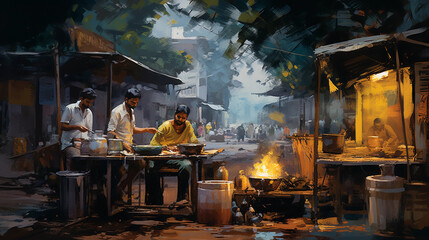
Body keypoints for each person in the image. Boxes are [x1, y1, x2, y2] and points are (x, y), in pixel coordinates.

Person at [107, 87, 158, 193]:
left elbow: (132, 129)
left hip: (128, 146)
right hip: (117, 148)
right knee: (117, 172)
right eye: (132, 102)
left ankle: (122, 187)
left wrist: (147, 129)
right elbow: (110, 132)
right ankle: (115, 193)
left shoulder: (131, 111)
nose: (135, 104)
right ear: (126, 99)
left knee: (140, 164)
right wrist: (123, 144)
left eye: (136, 102)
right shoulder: (117, 112)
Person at [147, 104, 198, 205]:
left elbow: (193, 140)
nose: (180, 119)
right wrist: (165, 148)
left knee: (187, 165)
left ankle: (182, 199)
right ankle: (156, 200)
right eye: (178, 117)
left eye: (183, 118)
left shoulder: (188, 126)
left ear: (186, 118)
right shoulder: (165, 126)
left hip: (178, 158)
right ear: (175, 115)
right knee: (151, 167)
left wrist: (191, 146)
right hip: (162, 158)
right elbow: (153, 143)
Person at [60, 88, 97, 170]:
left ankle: (86, 181)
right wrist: (77, 127)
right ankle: (73, 181)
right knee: (77, 158)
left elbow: (89, 132)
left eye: (91, 103)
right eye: (87, 102)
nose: (89, 105)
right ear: (81, 98)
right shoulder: (70, 108)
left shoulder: (89, 113)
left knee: (95, 160)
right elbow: (62, 126)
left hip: (83, 145)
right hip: (70, 144)